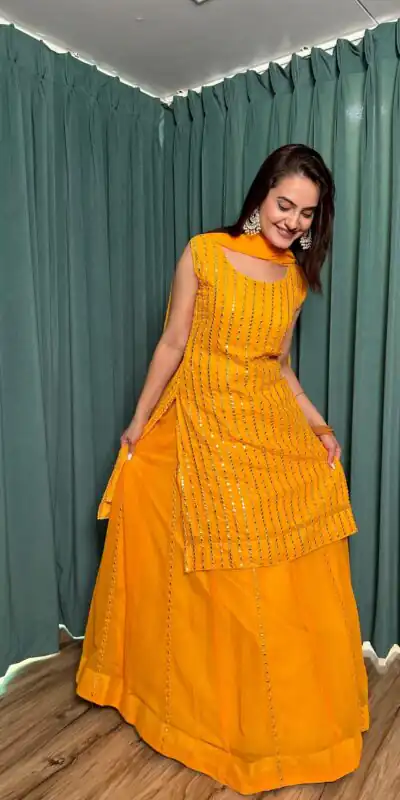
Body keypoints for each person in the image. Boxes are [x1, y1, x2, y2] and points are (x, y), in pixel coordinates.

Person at [76, 144, 369, 795]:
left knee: (276, 574)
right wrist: (137, 421)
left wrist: (319, 425)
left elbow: (281, 368)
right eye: (285, 204)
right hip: (202, 424)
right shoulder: (204, 253)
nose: (292, 221)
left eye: (307, 214)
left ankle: (272, 722)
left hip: (265, 425)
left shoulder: (295, 279)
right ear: (262, 195)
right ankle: (203, 718)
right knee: (217, 581)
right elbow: (173, 342)